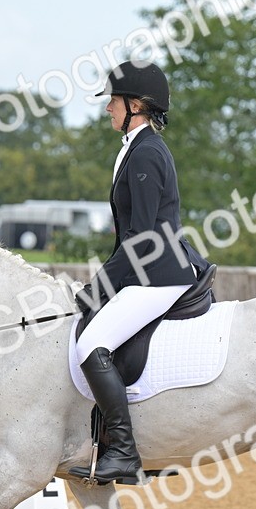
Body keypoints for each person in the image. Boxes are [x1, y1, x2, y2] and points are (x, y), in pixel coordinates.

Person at [69, 60, 211, 485]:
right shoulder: (134, 147)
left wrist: (98, 288)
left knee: (92, 341)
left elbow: (143, 238)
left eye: (113, 100)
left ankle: (125, 452)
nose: (108, 108)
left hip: (160, 274)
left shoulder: (147, 151)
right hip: (145, 271)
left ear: (136, 104)